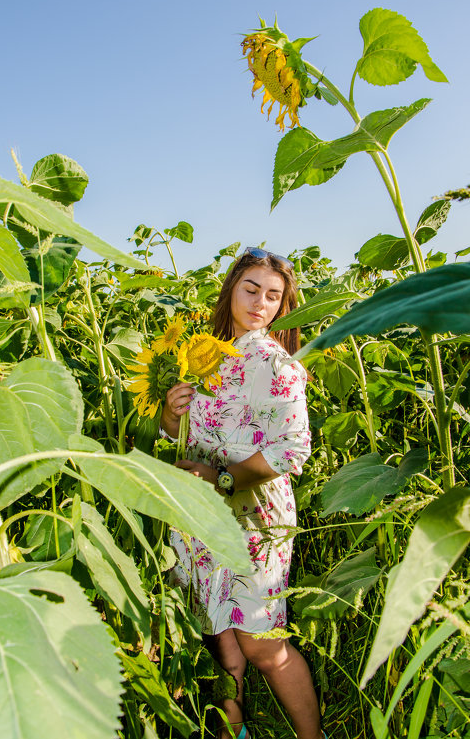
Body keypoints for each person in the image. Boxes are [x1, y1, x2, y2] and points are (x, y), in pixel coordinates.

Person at [160, 248, 326, 739]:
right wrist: (171, 415)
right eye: (251, 289)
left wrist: (221, 479)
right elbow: (180, 437)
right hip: (197, 513)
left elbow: (293, 450)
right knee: (217, 632)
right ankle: (235, 731)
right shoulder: (203, 354)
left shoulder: (273, 362)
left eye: (273, 295)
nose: (260, 302)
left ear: (282, 305)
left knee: (260, 643)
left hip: (254, 518)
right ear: (231, 289)